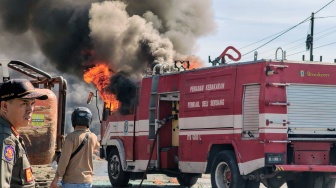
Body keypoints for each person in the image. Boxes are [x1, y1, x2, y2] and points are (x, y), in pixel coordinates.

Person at [0, 78, 48, 187]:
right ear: (5, 106)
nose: (30, 109)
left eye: (32, 103)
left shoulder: (9, 133)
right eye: (24, 103)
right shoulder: (5, 138)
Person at [50, 107, 100, 188]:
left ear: (74, 120)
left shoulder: (70, 137)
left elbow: (64, 160)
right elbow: (96, 147)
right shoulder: (93, 137)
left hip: (71, 181)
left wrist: (56, 179)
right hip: (87, 181)